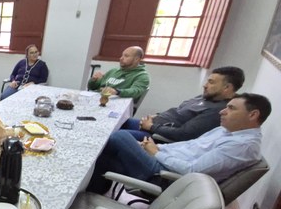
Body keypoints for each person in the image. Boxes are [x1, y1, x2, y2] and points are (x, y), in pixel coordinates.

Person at [87, 93, 271, 194]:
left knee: (120, 136)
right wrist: (156, 147)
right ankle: (90, 193)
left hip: (166, 177)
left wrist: (156, 153)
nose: (222, 112)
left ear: (253, 115)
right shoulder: (226, 130)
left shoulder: (243, 146)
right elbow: (188, 146)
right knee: (101, 158)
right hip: (163, 160)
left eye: (231, 108)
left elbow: (192, 171)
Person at [121, 66, 245, 141]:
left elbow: (184, 134)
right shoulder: (206, 97)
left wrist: (151, 127)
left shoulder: (217, 110)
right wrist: (156, 116)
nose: (205, 85)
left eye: (211, 82)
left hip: (158, 136)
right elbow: (178, 111)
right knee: (121, 121)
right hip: (154, 124)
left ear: (227, 88)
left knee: (116, 136)